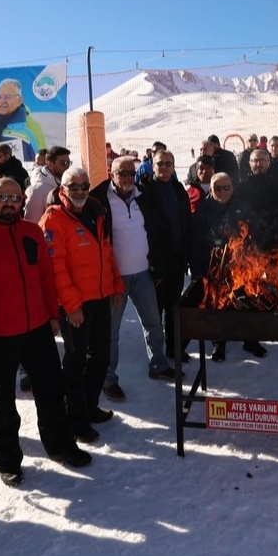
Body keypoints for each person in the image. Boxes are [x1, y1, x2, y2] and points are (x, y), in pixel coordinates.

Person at [0, 177, 89, 484]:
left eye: (16, 197)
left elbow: (44, 277)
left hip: (37, 327)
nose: (11, 203)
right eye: (3, 197)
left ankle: (60, 445)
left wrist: (52, 314)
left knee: (52, 389)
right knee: (1, 401)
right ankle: (6, 460)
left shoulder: (31, 231)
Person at [41, 167, 124, 443]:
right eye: (73, 186)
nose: (79, 191)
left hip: (101, 298)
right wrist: (71, 305)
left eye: (83, 186)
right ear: (63, 189)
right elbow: (56, 267)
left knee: (100, 357)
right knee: (75, 363)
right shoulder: (54, 219)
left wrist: (116, 285)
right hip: (76, 304)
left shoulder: (96, 212)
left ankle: (89, 407)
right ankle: (75, 420)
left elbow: (107, 252)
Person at [91, 156, 175, 407]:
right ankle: (108, 379)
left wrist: (158, 265)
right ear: (112, 173)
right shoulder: (99, 198)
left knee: (152, 321)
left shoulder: (144, 196)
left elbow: (157, 230)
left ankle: (158, 364)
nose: (128, 177)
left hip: (143, 273)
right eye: (122, 173)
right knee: (111, 331)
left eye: (131, 172)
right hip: (115, 277)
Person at [189, 173, 264, 361]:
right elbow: (196, 240)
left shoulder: (242, 206)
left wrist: (254, 260)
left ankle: (251, 340)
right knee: (218, 304)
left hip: (241, 265)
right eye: (217, 188)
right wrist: (198, 270)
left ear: (232, 188)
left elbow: (255, 233)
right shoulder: (203, 209)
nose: (222, 192)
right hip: (214, 265)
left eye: (226, 188)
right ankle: (218, 342)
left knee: (245, 302)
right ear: (211, 190)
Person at [140, 150, 193, 361]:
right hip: (157, 261)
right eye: (160, 164)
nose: (164, 168)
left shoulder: (179, 188)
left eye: (168, 164)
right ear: (152, 166)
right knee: (156, 311)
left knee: (174, 307)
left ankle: (174, 347)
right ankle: (157, 354)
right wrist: (152, 262)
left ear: (173, 166)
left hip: (177, 258)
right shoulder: (145, 191)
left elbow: (186, 220)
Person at [236, 148, 278, 253]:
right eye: (255, 161)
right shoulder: (241, 188)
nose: (259, 164)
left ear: (268, 162)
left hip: (273, 240)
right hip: (250, 242)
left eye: (262, 160)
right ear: (249, 163)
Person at [25, 145, 71, 224]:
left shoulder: (68, 184)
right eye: (63, 163)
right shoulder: (37, 189)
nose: (67, 166)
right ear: (50, 164)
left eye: (68, 162)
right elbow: (32, 224)